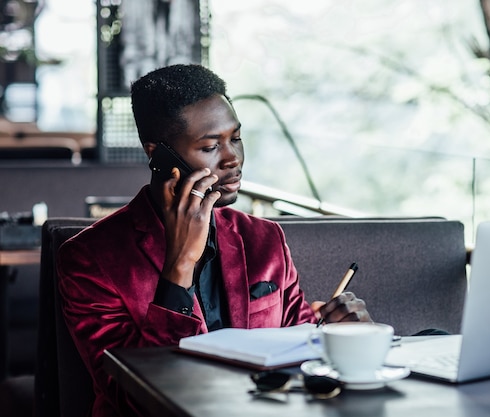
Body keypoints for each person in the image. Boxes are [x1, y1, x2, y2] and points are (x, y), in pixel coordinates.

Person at [56, 64, 372, 417]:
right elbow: (132, 398)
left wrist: (339, 337)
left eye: (235, 138)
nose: (233, 158)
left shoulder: (263, 238)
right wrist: (180, 266)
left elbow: (298, 349)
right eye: (210, 146)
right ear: (157, 155)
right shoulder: (88, 258)